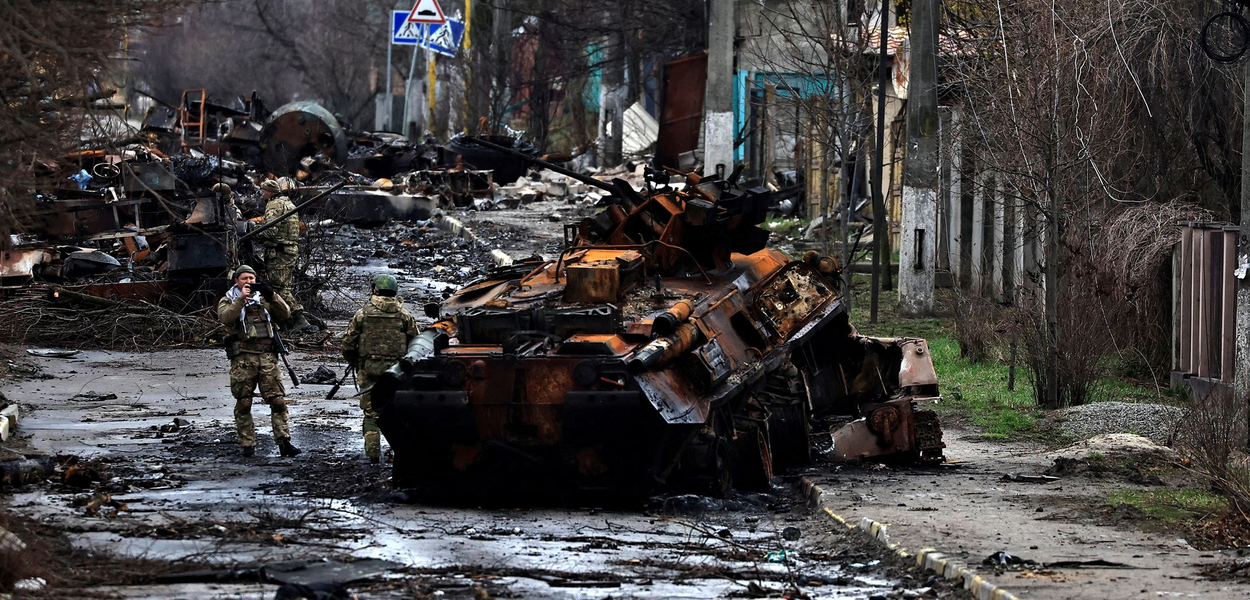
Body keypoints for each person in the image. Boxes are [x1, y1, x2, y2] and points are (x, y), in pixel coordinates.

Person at [218, 264, 301, 458]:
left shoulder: (264, 299)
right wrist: (240, 299)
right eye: (244, 279)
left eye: (252, 279)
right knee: (244, 402)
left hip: (267, 357)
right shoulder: (227, 299)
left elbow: (285, 314)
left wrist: (273, 295)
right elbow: (226, 318)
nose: (249, 282)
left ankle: (284, 442)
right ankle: (247, 444)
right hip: (243, 358)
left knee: (278, 401)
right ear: (236, 281)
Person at [341, 274, 419, 463]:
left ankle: (373, 455)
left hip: (369, 370)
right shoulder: (404, 315)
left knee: (371, 414)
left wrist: (355, 361)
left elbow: (348, 342)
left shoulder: (363, 313)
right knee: (396, 412)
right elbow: (416, 342)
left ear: (375, 290)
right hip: (397, 373)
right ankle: (401, 453)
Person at [255, 177, 312, 332]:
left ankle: (299, 318)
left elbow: (271, 230)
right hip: (289, 250)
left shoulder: (274, 204)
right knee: (283, 286)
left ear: (270, 192)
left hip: (279, 251)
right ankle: (287, 321)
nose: (262, 194)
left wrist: (254, 233)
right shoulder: (288, 203)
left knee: (279, 288)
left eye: (264, 191)